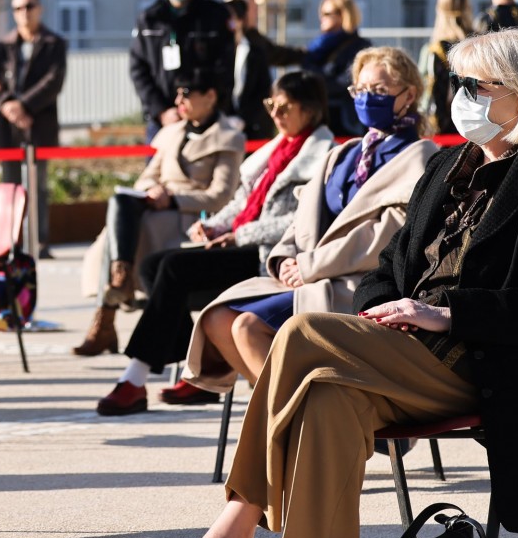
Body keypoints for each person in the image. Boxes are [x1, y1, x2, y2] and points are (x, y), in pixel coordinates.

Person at [141, 29, 518, 538]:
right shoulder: (446, 166)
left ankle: (240, 521)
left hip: (486, 365)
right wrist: (384, 315)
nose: (459, 97)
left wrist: (445, 315)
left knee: (301, 329)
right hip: (401, 354)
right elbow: (388, 270)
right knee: (331, 400)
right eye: (457, 84)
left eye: (474, 86)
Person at [185, 46, 437, 393]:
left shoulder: (421, 156)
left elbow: (384, 236)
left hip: (354, 283)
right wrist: (285, 258)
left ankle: (296, 427)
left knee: (247, 327)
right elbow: (302, 217)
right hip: (305, 276)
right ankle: (302, 419)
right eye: (360, 90)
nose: (367, 99)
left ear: (409, 94)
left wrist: (310, 266)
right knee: (215, 319)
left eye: (378, 91)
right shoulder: (345, 152)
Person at [95, 71, 332, 416]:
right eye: (271, 105)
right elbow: (240, 202)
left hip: (267, 256)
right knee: (152, 266)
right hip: (237, 242)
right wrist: (213, 225)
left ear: (309, 110)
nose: (275, 115)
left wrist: (238, 234)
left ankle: (136, 378)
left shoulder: (324, 154)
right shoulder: (274, 150)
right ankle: (203, 369)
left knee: (174, 270)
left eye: (285, 107)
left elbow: (299, 221)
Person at [73, 74, 245, 357]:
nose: (179, 101)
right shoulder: (172, 133)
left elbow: (220, 195)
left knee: (127, 233)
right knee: (121, 204)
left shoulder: (229, 137)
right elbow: (146, 178)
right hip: (157, 208)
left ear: (210, 96)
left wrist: (173, 199)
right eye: (177, 94)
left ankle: (107, 316)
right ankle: (120, 279)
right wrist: (153, 192)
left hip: (188, 216)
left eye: (187, 93)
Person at [0, 0, 66, 254]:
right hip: (8, 127)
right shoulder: (4, 44)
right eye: (17, 8)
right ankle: (10, 242)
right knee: (9, 185)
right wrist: (8, 105)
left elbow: (53, 81)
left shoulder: (54, 43)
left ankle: (39, 242)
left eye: (29, 6)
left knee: (38, 187)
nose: (24, 12)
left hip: (38, 125)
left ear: (39, 8)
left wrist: (24, 106)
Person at [129, 0, 234, 139]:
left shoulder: (214, 16)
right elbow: (138, 69)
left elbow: (224, 66)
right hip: (163, 121)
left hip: (205, 120)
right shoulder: (150, 19)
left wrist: (203, 107)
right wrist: (160, 111)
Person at [302, 0, 373, 136]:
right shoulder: (317, 46)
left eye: (327, 13)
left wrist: (314, 78)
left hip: (344, 119)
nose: (321, 17)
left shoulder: (359, 46)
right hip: (317, 116)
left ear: (343, 16)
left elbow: (345, 82)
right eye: (321, 13)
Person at [223, 0, 280, 142]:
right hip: (220, 128)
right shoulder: (212, 51)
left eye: (236, 17)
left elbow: (262, 91)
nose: (232, 23)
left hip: (252, 131)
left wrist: (242, 120)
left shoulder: (255, 50)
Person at [418, 0, 475, 136]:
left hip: (443, 128)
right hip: (476, 124)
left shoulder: (433, 50)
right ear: (468, 9)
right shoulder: (480, 44)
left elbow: (427, 92)